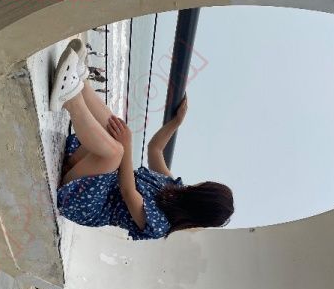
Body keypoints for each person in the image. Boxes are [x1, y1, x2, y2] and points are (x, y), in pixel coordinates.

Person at [50, 38, 234, 240]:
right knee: (118, 130)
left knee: (117, 150)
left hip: (83, 202)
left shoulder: (161, 225)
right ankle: (82, 83)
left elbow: (128, 191)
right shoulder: (172, 186)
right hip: (86, 173)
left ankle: (69, 98)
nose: (198, 185)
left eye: (203, 188)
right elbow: (155, 149)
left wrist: (127, 145)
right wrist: (176, 123)